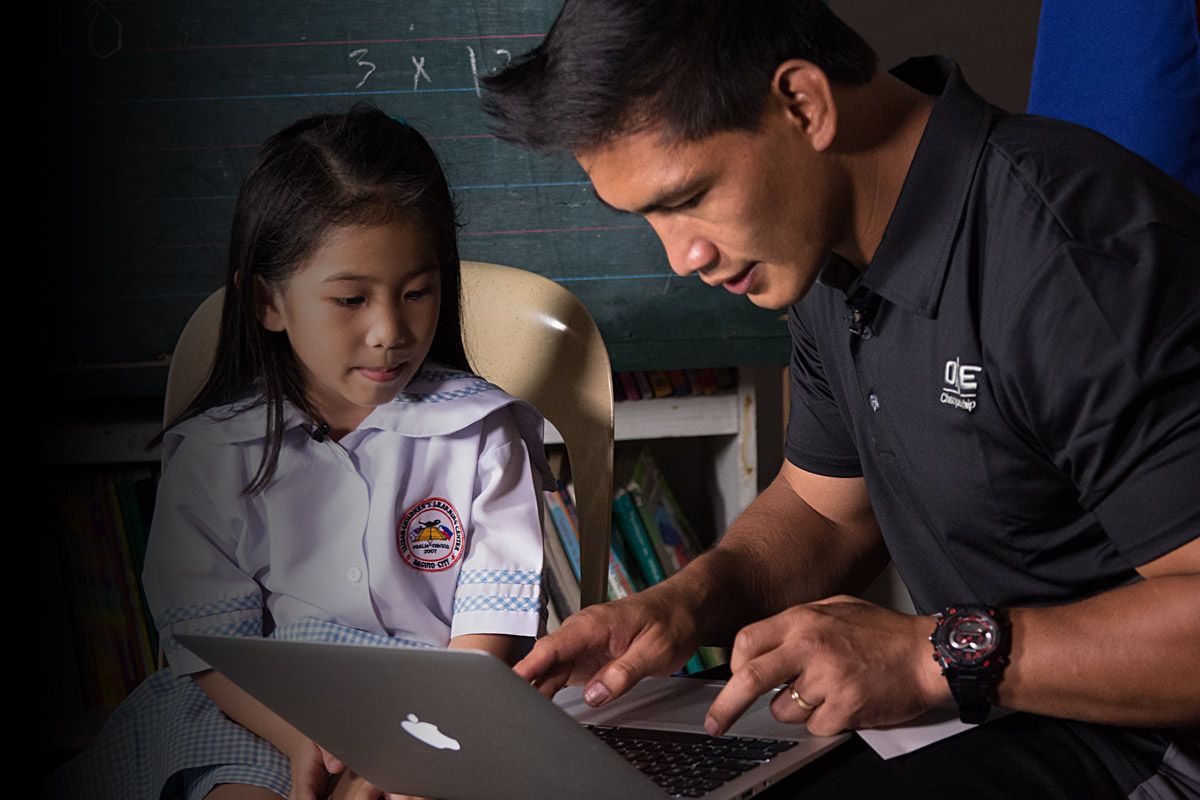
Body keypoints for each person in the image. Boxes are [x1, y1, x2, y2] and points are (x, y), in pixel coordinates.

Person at [480, 0, 1200, 796]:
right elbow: (828, 515)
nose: (682, 256)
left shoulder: (1077, 257)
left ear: (803, 104)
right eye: (649, 216)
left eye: (687, 198)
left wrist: (928, 655)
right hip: (999, 715)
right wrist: (681, 606)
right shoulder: (826, 253)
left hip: (1159, 750)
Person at [50, 106, 551, 800]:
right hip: (264, 711)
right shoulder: (216, 453)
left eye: (417, 292)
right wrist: (307, 745)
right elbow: (210, 648)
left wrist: (409, 750)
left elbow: (490, 634)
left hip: (443, 709)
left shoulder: (480, 432)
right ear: (268, 302)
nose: (389, 331)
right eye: (350, 299)